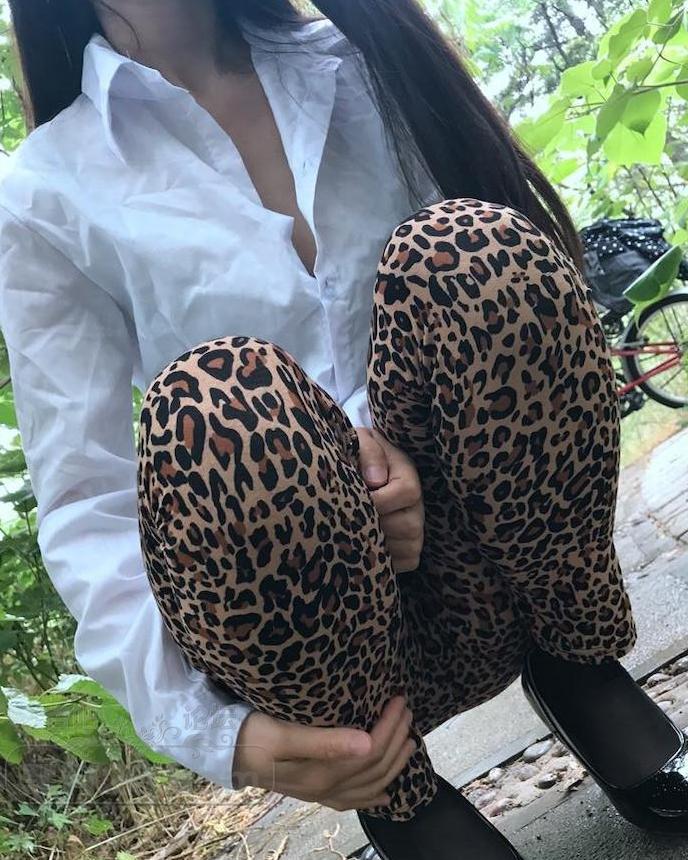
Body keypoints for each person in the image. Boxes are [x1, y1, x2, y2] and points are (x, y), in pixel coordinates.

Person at [1, 1, 687, 858]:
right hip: (311, 639)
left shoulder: (359, 61)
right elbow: (85, 498)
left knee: (472, 250)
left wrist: (390, 448)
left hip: (492, 559)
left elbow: (483, 330)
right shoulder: (46, 189)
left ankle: (577, 668)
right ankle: (400, 800)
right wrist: (219, 735)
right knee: (218, 400)